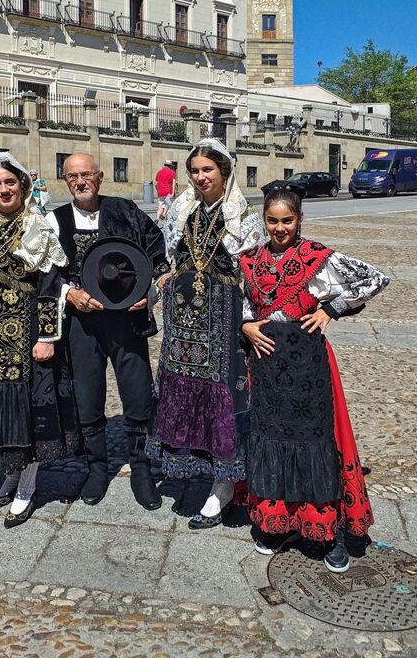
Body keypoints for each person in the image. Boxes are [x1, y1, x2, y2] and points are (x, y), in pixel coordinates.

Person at [240, 180, 389, 572]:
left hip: (308, 366)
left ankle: (328, 532)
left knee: (317, 442)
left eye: (287, 220)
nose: (280, 228)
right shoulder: (251, 260)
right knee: (272, 439)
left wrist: (330, 309)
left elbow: (374, 278)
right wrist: (245, 325)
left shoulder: (317, 257)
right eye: (272, 221)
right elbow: (242, 301)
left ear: (300, 218)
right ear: (264, 220)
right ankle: (280, 523)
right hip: (267, 366)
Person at [0, 152, 80, 528]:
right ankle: (9, 472)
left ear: (23, 185)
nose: (3, 189)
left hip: (23, 327)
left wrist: (47, 336)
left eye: (10, 182)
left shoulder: (37, 226)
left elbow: (50, 285)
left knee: (25, 407)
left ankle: (26, 486)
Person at [146, 139, 265, 528]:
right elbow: (168, 258)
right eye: (194, 171)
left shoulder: (244, 218)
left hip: (224, 323)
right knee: (183, 389)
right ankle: (194, 465)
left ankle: (223, 486)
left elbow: (254, 278)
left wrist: (247, 321)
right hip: (183, 321)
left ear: (224, 172)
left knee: (223, 396)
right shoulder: (183, 210)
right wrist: (162, 281)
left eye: (207, 170)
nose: (200, 177)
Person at [46, 152, 169, 510]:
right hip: (82, 324)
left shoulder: (125, 211)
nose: (80, 182)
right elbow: (46, 271)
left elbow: (156, 255)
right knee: (87, 396)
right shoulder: (55, 220)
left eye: (86, 175)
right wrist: (70, 293)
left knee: (138, 394)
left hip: (127, 320)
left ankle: (142, 469)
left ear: (99, 177)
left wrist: (148, 292)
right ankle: (97, 467)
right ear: (65, 181)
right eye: (72, 176)